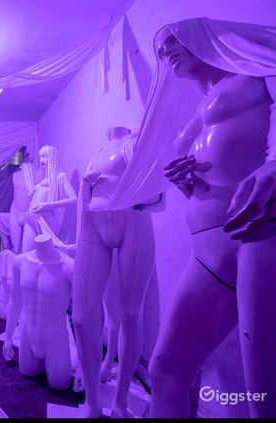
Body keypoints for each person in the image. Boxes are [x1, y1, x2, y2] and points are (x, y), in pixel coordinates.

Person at [146, 18, 276, 418]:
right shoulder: (201, 106)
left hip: (255, 239)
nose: (166, 52)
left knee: (263, 397)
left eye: (172, 41)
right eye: (160, 50)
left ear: (199, 35)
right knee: (165, 372)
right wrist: (186, 181)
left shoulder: (254, 72)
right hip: (208, 251)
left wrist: (275, 163)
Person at [72, 126, 158, 418]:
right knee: (81, 317)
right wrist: (86, 187)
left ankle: (119, 401)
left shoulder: (136, 140)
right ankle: (92, 402)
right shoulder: (97, 152)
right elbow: (85, 199)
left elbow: (157, 195)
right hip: (93, 223)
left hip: (133, 223)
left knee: (130, 313)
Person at [3, 234, 74, 390]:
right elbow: (15, 300)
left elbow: (84, 316)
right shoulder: (20, 262)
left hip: (55, 343)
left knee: (60, 384)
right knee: (27, 371)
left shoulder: (69, 267)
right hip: (28, 339)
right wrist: (8, 336)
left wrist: (84, 365)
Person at [22, 145, 77, 252]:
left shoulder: (60, 177)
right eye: (41, 157)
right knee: (24, 255)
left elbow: (74, 200)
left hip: (44, 219)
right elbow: (30, 195)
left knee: (44, 256)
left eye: (45, 156)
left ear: (52, 157)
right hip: (30, 219)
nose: (42, 160)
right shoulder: (42, 179)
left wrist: (49, 205)